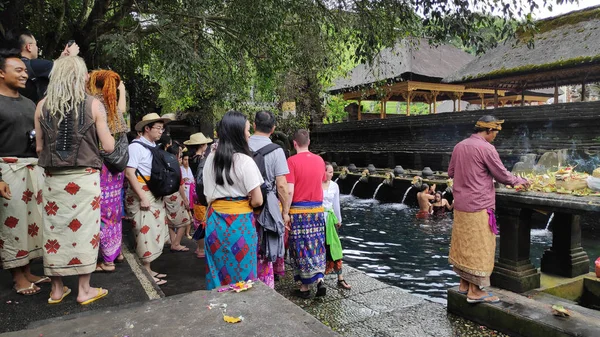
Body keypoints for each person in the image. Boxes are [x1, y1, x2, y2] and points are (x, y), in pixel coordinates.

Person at [35, 55, 115, 304]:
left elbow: (39, 148)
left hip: (52, 181)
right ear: (81, 77)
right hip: (84, 180)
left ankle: (57, 290)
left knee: (54, 232)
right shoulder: (93, 105)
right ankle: (84, 290)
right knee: (85, 232)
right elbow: (109, 145)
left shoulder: (41, 106)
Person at [448, 115, 529, 304]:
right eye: (495, 133)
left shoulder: (459, 146)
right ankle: (475, 292)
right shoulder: (486, 148)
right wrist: (520, 181)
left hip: (461, 205)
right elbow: (502, 175)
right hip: (479, 205)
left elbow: (451, 172)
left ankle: (464, 284)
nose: (495, 137)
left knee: (464, 245)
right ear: (488, 130)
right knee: (479, 247)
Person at [0, 48, 47, 295]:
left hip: (32, 168)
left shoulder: (30, 103)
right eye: (18, 70)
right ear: (0, 72)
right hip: (6, 170)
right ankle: (17, 276)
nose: (24, 75)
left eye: (25, 71)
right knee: (12, 226)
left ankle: (27, 269)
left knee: (32, 224)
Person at [203, 111, 263, 290]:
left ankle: (218, 308)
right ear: (238, 132)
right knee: (242, 275)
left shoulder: (210, 159)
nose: (249, 134)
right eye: (247, 130)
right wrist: (249, 200)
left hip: (215, 222)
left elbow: (207, 194)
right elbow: (258, 200)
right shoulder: (245, 161)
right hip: (240, 225)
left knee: (217, 271)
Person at [87, 69, 129, 272]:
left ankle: (107, 261)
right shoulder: (112, 107)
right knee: (114, 211)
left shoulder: (92, 104)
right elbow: (122, 108)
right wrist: (121, 90)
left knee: (100, 212)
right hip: (116, 169)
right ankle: (116, 252)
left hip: (100, 167)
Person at [124, 113, 171, 286]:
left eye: (161, 128)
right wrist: (143, 197)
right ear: (147, 129)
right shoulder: (136, 147)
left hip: (152, 191)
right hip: (142, 192)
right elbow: (129, 173)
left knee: (151, 231)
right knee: (144, 231)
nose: (161, 132)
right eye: (158, 128)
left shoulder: (152, 146)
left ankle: (148, 269)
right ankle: (145, 270)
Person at [248, 110, 290, 288]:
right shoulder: (277, 150)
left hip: (245, 201)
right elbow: (281, 184)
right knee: (266, 243)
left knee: (248, 242)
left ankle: (246, 278)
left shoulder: (242, 145)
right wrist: (286, 211)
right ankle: (264, 285)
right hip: (268, 202)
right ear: (273, 129)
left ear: (254, 125)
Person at [285, 129, 327, 298]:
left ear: (294, 143)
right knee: (316, 245)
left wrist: (286, 212)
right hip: (317, 210)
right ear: (308, 142)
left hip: (299, 210)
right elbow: (323, 180)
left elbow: (289, 191)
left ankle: (305, 287)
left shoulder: (291, 161)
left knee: (301, 247)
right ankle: (319, 279)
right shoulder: (320, 160)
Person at [7, 29, 79, 104]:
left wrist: (62, 58)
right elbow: (66, 73)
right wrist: (72, 56)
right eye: (36, 44)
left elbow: (54, 68)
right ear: (29, 47)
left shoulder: (10, 65)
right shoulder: (33, 65)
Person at [183, 132, 212, 259]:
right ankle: (201, 248)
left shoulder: (192, 158)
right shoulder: (201, 160)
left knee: (198, 218)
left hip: (194, 189)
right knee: (202, 220)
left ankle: (200, 247)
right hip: (200, 190)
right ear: (202, 145)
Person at [322, 162, 351, 289]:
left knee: (335, 247)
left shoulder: (334, 186)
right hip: (318, 219)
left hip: (330, 219)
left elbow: (336, 204)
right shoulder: (315, 184)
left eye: (332, 172)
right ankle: (320, 277)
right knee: (320, 248)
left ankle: (340, 278)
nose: (331, 174)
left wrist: (339, 220)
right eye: (329, 172)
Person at [164, 143, 191, 252]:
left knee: (170, 220)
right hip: (175, 194)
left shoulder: (164, 162)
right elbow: (180, 184)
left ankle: (173, 240)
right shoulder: (175, 165)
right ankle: (176, 243)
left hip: (165, 194)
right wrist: (185, 199)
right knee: (185, 220)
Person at [180, 151, 194, 239]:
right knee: (185, 210)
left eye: (188, 160)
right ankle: (185, 232)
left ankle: (188, 232)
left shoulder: (189, 168)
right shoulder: (180, 168)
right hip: (184, 190)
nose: (186, 162)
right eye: (185, 160)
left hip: (190, 190)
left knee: (190, 209)